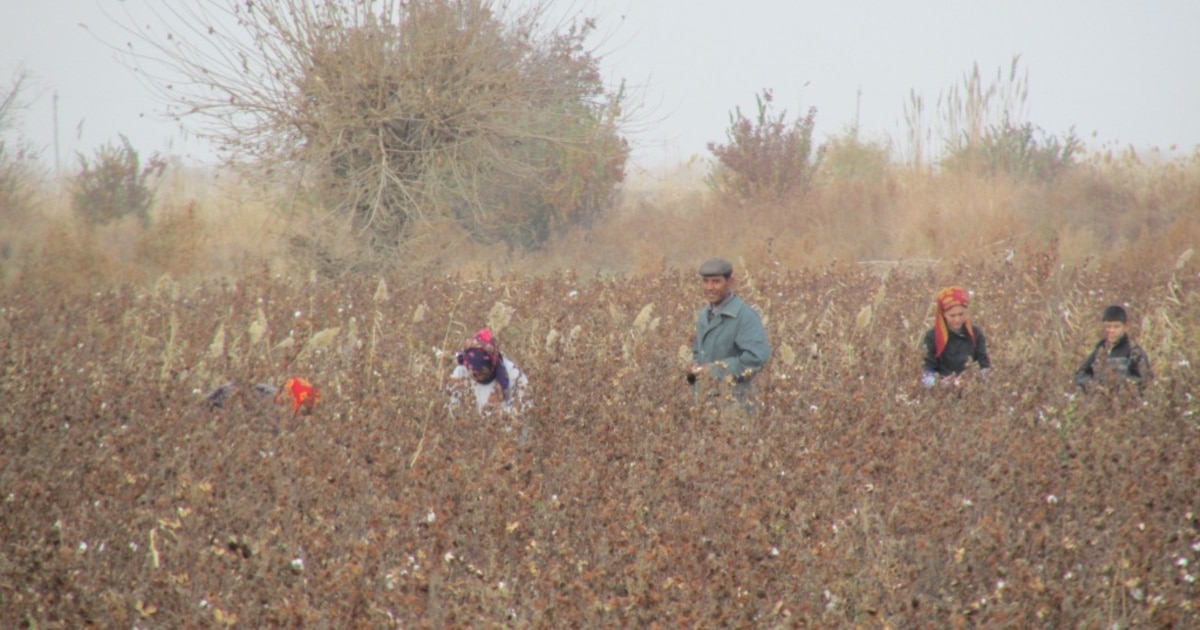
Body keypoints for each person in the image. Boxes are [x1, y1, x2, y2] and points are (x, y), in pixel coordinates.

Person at [686, 257, 771, 407]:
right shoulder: (703, 316)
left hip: (735, 404)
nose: (709, 287)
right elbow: (698, 353)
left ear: (730, 282)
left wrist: (712, 370)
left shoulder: (745, 316)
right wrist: (693, 368)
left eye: (716, 281)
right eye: (706, 281)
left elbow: (756, 358)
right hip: (705, 403)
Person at [920, 285, 991, 388]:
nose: (957, 319)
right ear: (943, 314)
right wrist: (941, 383)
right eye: (952, 316)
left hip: (972, 392)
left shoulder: (975, 333)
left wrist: (976, 379)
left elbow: (984, 365)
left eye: (961, 314)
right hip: (941, 394)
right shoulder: (932, 337)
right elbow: (926, 373)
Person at [449, 328, 530, 415]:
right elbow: (452, 408)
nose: (475, 375)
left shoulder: (513, 375)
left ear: (492, 363)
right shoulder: (460, 373)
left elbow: (524, 411)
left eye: (481, 372)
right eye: (472, 372)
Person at [1073, 305, 1153, 390]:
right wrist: (1092, 385)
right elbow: (1080, 374)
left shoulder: (1134, 352)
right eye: (1108, 326)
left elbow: (1146, 381)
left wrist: (1123, 385)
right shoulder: (1100, 350)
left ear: (1126, 327)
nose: (1111, 331)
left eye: (1116, 326)